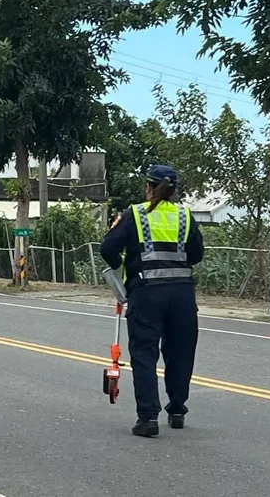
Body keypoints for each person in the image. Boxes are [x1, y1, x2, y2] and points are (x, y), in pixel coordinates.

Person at [100, 164, 205, 438]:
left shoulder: (134, 214)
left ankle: (148, 418)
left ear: (148, 187)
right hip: (182, 294)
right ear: (173, 190)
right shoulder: (184, 215)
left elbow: (108, 248)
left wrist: (124, 267)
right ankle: (178, 409)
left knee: (145, 354)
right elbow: (196, 254)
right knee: (181, 353)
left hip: (146, 293)